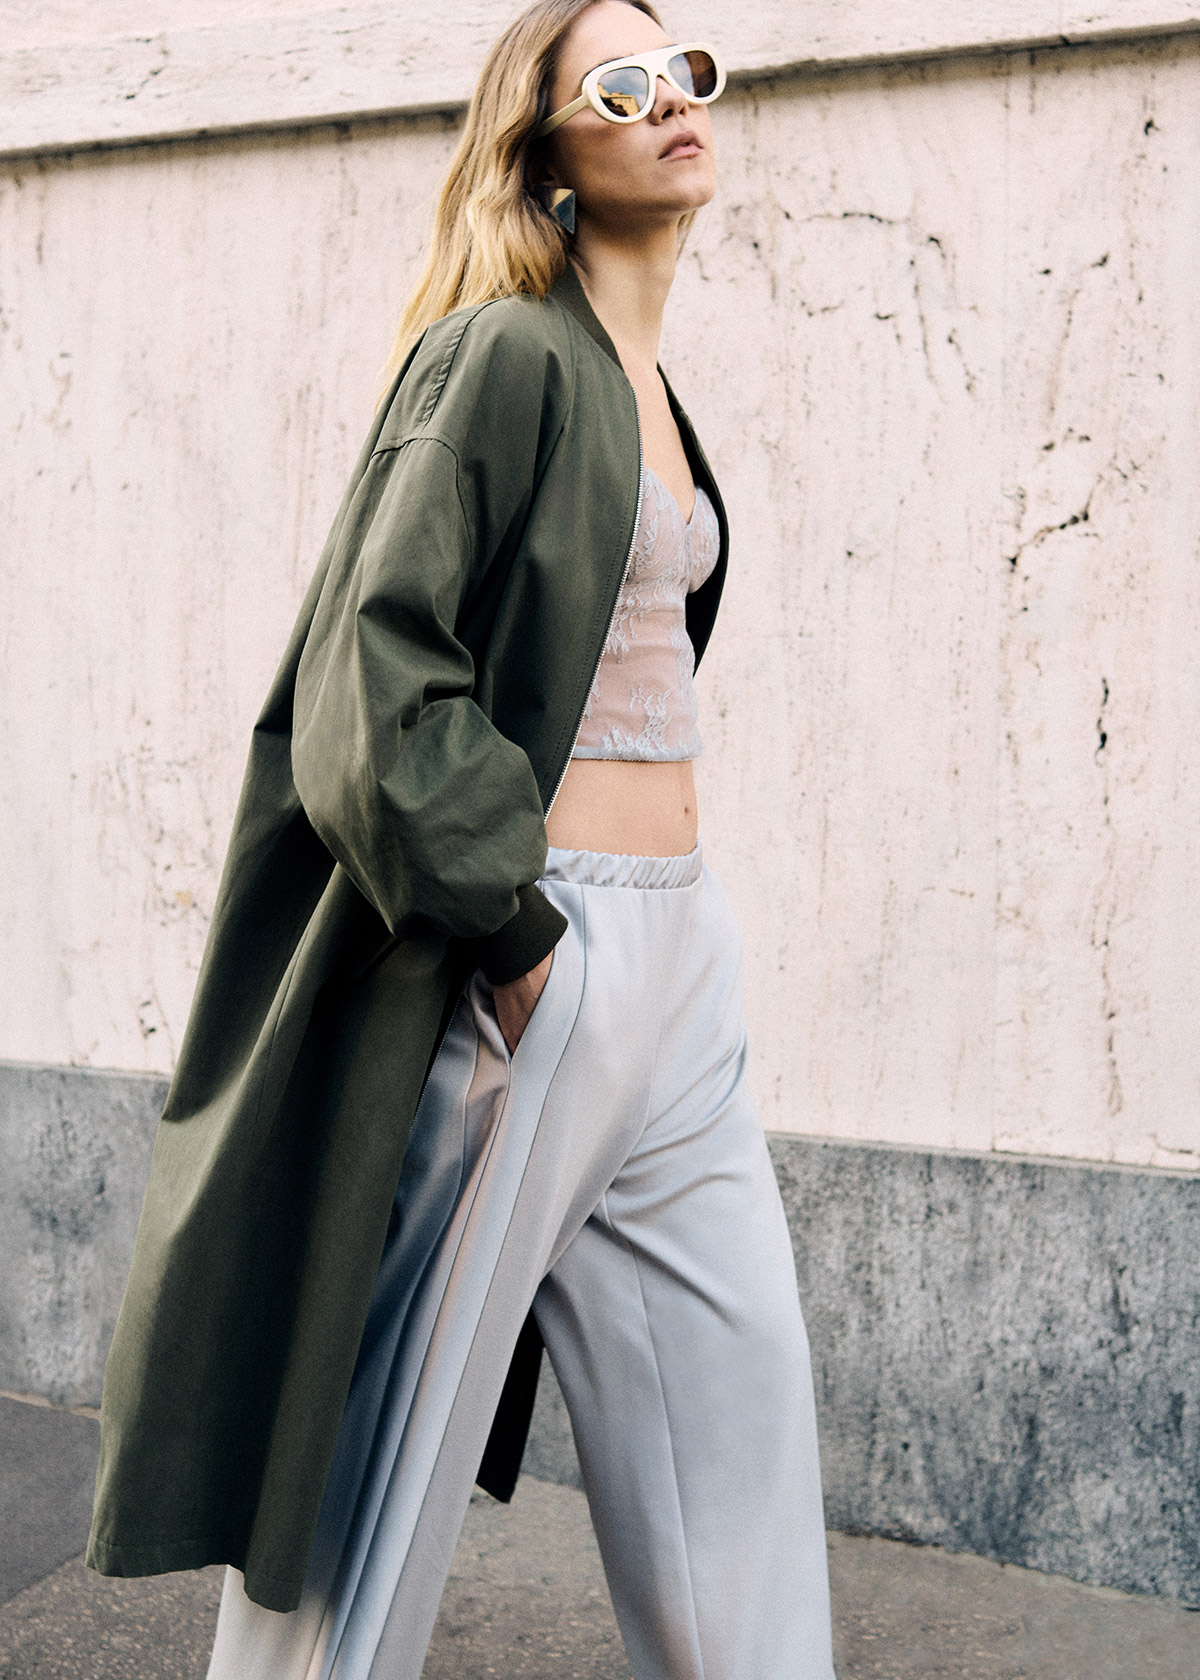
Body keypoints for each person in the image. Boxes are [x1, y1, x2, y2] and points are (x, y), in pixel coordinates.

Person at [86, 3, 837, 1675]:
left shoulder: (648, 376)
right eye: (620, 88)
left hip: (684, 963)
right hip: (546, 945)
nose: (668, 104)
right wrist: (518, 936)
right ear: (549, 148)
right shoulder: (504, 351)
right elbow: (374, 664)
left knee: (737, 1423)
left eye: (685, 72)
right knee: (385, 1454)